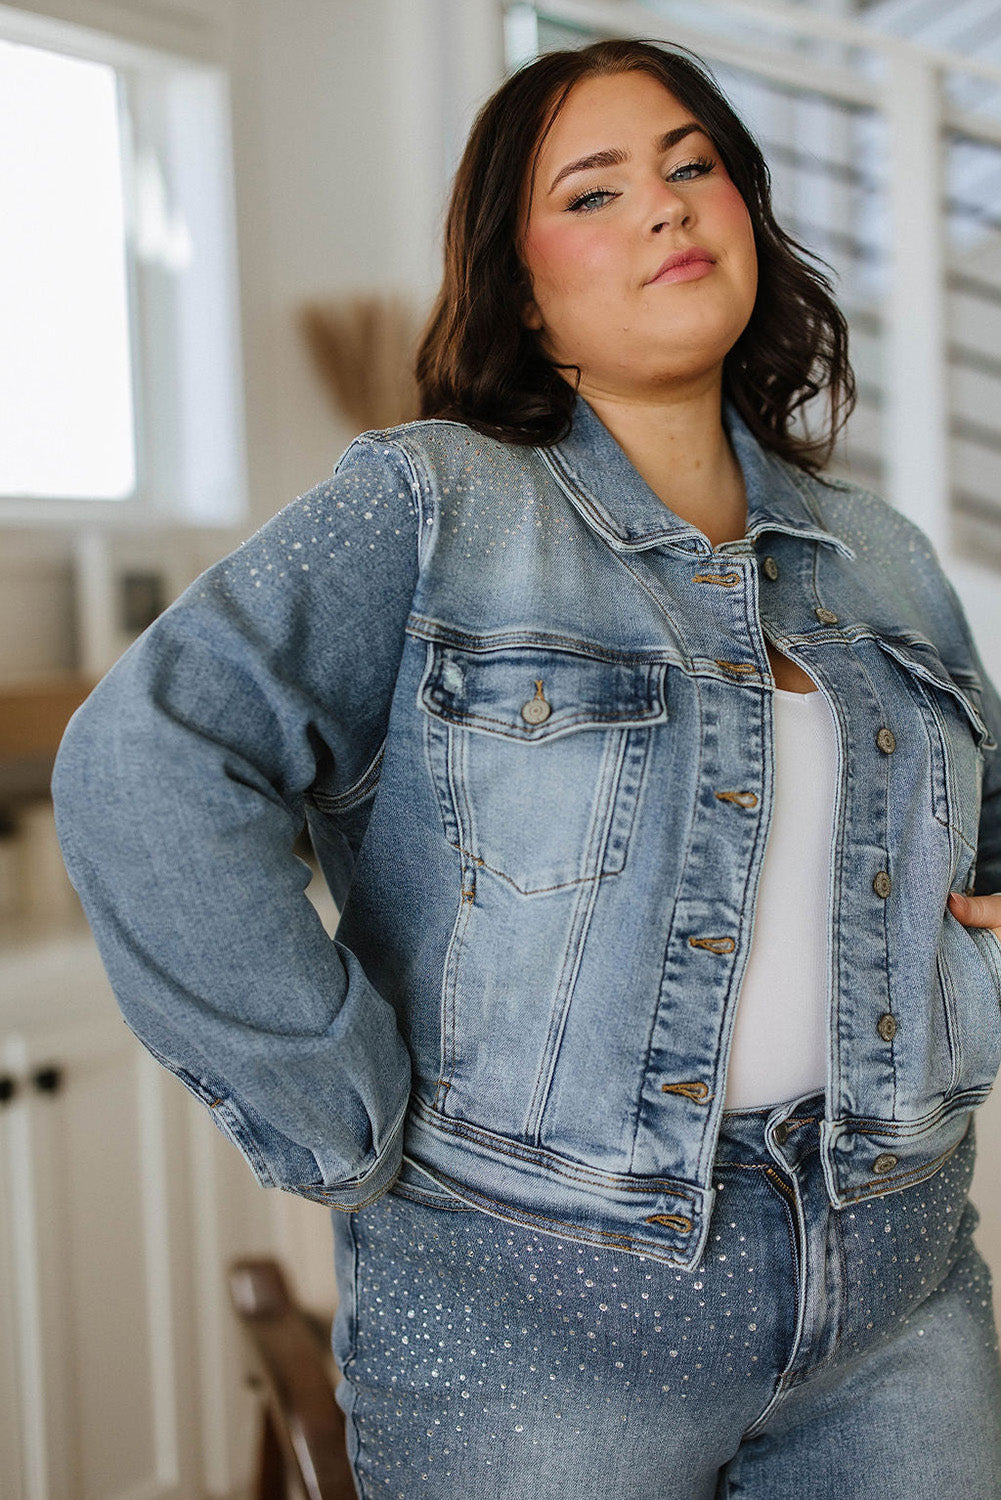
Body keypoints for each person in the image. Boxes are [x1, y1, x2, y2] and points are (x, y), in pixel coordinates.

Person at [53, 36, 1001, 1498]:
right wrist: (342, 1113)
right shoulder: (430, 505)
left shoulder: (881, 557)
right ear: (520, 284)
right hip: (535, 1332)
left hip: (897, 1308)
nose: (667, 208)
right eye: (597, 191)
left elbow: (971, 841)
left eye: (695, 168)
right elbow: (146, 760)